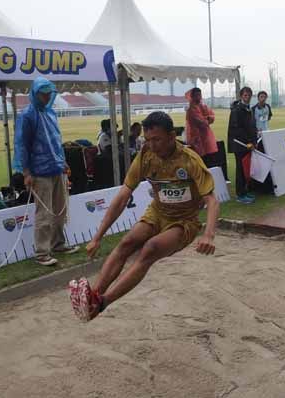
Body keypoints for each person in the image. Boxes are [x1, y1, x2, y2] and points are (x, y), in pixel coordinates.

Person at [69, 111, 219, 322]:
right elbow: (123, 196)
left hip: (184, 221)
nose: (152, 145)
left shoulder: (189, 160)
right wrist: (97, 237)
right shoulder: (146, 155)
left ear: (171, 136)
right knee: (127, 242)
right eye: (147, 140)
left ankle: (103, 302)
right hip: (157, 212)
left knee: (150, 249)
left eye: (156, 139)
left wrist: (209, 235)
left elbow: (212, 200)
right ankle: (93, 296)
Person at [14, 77, 78, 266]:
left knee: (60, 210)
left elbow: (56, 141)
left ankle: (58, 243)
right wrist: (26, 172)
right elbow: (22, 146)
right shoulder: (27, 116)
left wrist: (64, 163)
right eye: (43, 93)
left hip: (56, 169)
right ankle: (42, 252)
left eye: (49, 93)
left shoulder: (51, 113)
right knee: (45, 213)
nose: (47, 96)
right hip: (39, 172)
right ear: (35, 94)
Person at [227, 87, 258, 204]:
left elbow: (251, 126)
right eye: (245, 95)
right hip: (239, 144)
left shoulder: (248, 109)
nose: (248, 97)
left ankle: (245, 191)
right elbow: (236, 129)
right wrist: (248, 141)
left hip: (248, 144)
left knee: (246, 169)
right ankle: (240, 195)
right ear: (241, 96)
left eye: (249, 95)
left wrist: (253, 141)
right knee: (240, 169)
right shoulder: (237, 109)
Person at [185, 87, 219, 168]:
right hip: (197, 141)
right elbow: (202, 123)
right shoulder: (191, 110)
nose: (199, 97)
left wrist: (207, 118)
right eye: (197, 95)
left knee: (209, 162)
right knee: (200, 164)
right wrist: (207, 118)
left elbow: (212, 116)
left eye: (200, 95)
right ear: (192, 96)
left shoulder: (203, 106)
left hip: (206, 139)